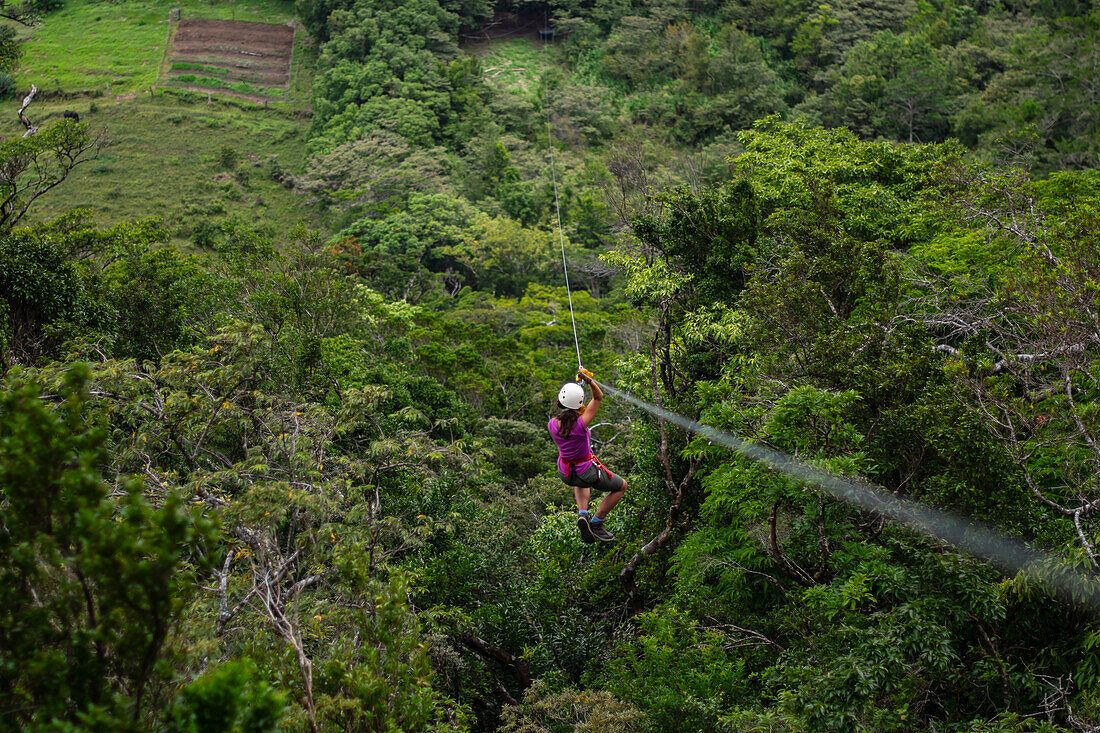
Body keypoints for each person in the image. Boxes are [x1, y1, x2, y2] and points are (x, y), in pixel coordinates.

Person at [548, 370, 627, 543]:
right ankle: (597, 522)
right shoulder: (581, 424)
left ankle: (582, 513)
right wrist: (589, 380)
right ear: (580, 404)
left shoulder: (552, 424)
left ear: (560, 402)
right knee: (621, 486)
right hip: (586, 471)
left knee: (579, 480)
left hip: (566, 473)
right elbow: (598, 397)